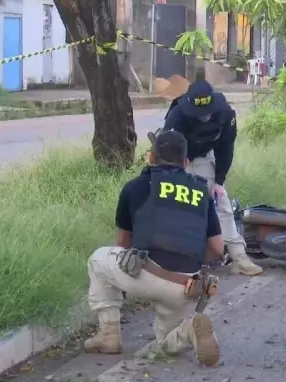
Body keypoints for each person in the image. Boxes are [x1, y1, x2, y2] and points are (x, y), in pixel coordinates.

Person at [83, 130, 224, 367]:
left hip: (145, 274)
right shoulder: (202, 192)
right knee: (166, 342)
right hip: (185, 285)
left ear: (150, 158)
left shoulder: (136, 187)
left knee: (98, 260)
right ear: (186, 163)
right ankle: (189, 330)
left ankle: (109, 336)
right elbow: (218, 249)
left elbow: (123, 244)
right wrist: (189, 263)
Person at [162, 80, 264, 276]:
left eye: (207, 112)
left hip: (203, 158)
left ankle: (239, 257)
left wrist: (219, 181)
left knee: (221, 204)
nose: (204, 117)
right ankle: (174, 262)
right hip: (176, 160)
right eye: (199, 114)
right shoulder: (177, 115)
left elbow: (226, 148)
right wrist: (173, 171)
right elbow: (166, 149)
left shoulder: (225, 113)